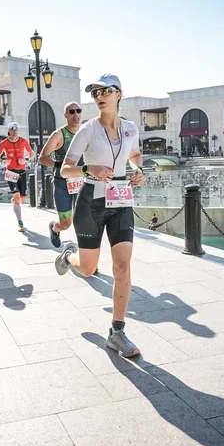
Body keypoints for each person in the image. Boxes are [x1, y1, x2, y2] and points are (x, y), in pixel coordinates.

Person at [55, 73, 145, 358]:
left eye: (104, 91)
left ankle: (117, 332)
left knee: (122, 267)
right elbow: (65, 169)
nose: (98, 96)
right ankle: (68, 256)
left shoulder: (131, 129)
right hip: (90, 201)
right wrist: (87, 169)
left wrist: (137, 170)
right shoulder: (88, 130)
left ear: (118, 93)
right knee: (88, 269)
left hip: (120, 201)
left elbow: (135, 155)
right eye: (94, 93)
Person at [39, 102, 84, 248]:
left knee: (84, 221)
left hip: (82, 183)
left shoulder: (86, 133)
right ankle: (55, 228)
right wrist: (61, 165)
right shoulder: (59, 134)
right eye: (72, 112)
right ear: (66, 115)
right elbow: (42, 158)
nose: (76, 114)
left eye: (78, 111)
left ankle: (86, 255)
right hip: (62, 183)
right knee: (66, 224)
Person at [0, 122, 33, 232]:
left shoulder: (23, 141)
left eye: (16, 130)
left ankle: (15, 200)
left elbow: (32, 154)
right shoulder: (3, 143)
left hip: (22, 172)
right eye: (12, 129)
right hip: (10, 172)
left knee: (22, 199)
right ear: (9, 131)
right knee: (16, 196)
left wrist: (26, 160)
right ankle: (20, 222)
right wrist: (2, 161)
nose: (15, 132)